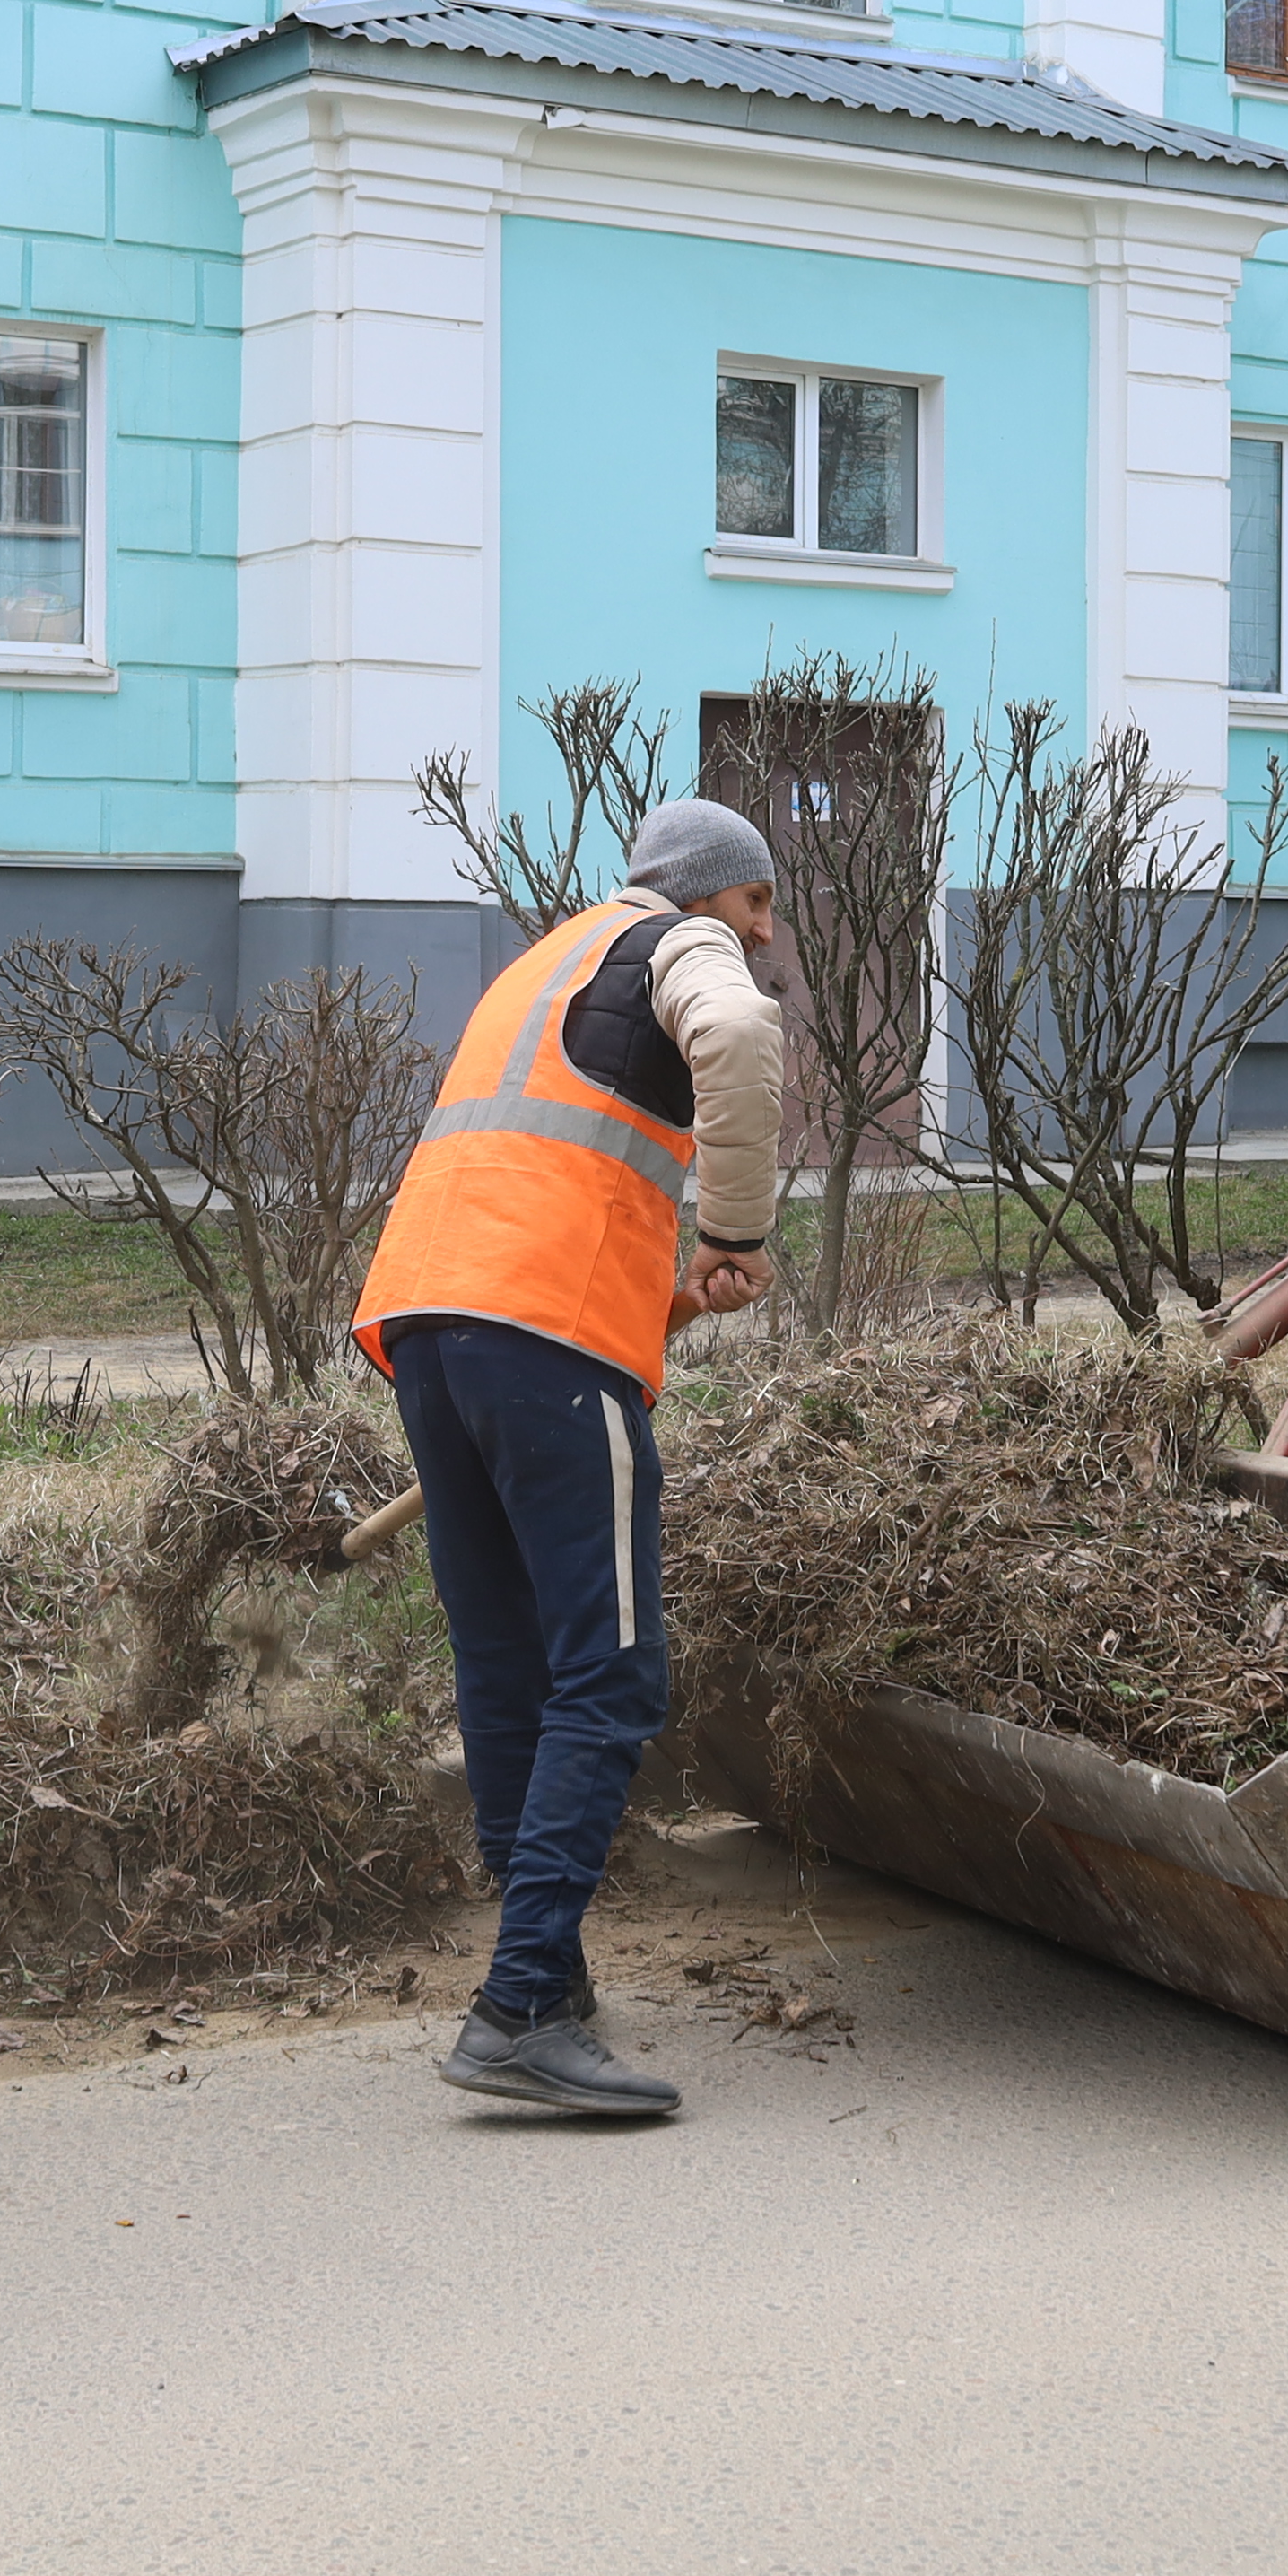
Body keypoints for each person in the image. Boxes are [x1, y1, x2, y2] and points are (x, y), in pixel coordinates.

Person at [349, 797, 790, 2120]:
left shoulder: (547, 963)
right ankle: (525, 2002)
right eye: (759, 903)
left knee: (507, 1667)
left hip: (434, 1325)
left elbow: (545, 1182)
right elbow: (744, 1035)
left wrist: (674, 1289)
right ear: (708, 889)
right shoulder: (679, 948)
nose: (766, 933)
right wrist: (741, 1225)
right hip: (542, 1344)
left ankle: (544, 1973)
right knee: (609, 1676)